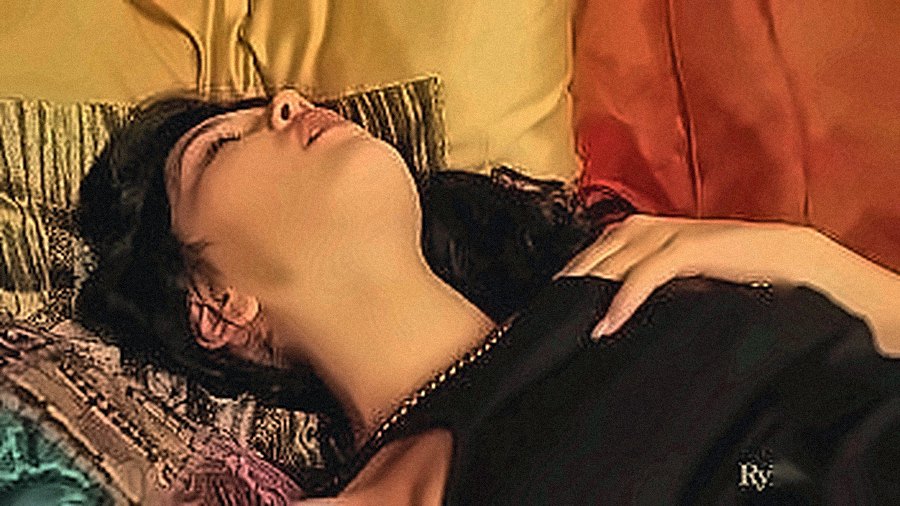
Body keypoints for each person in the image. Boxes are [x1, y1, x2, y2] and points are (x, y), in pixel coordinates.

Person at [78, 89, 900, 503]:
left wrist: (806, 255)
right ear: (216, 306)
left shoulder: (621, 271)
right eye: (220, 145)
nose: (288, 101)